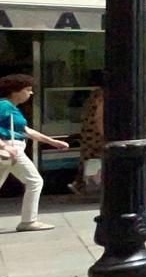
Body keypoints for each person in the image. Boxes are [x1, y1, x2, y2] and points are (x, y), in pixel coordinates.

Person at [0, 73, 70, 231]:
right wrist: (4, 146)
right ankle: (28, 221)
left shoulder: (10, 108)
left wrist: (53, 142)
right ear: (15, 91)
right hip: (10, 149)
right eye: (27, 89)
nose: (30, 93)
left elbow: (26, 131)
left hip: (11, 150)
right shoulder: (4, 106)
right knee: (34, 181)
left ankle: (28, 221)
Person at [73, 73, 105, 195]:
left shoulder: (94, 94)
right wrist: (103, 134)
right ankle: (91, 184)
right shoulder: (103, 96)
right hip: (96, 133)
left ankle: (82, 183)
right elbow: (99, 116)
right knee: (97, 157)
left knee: (88, 157)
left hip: (88, 132)